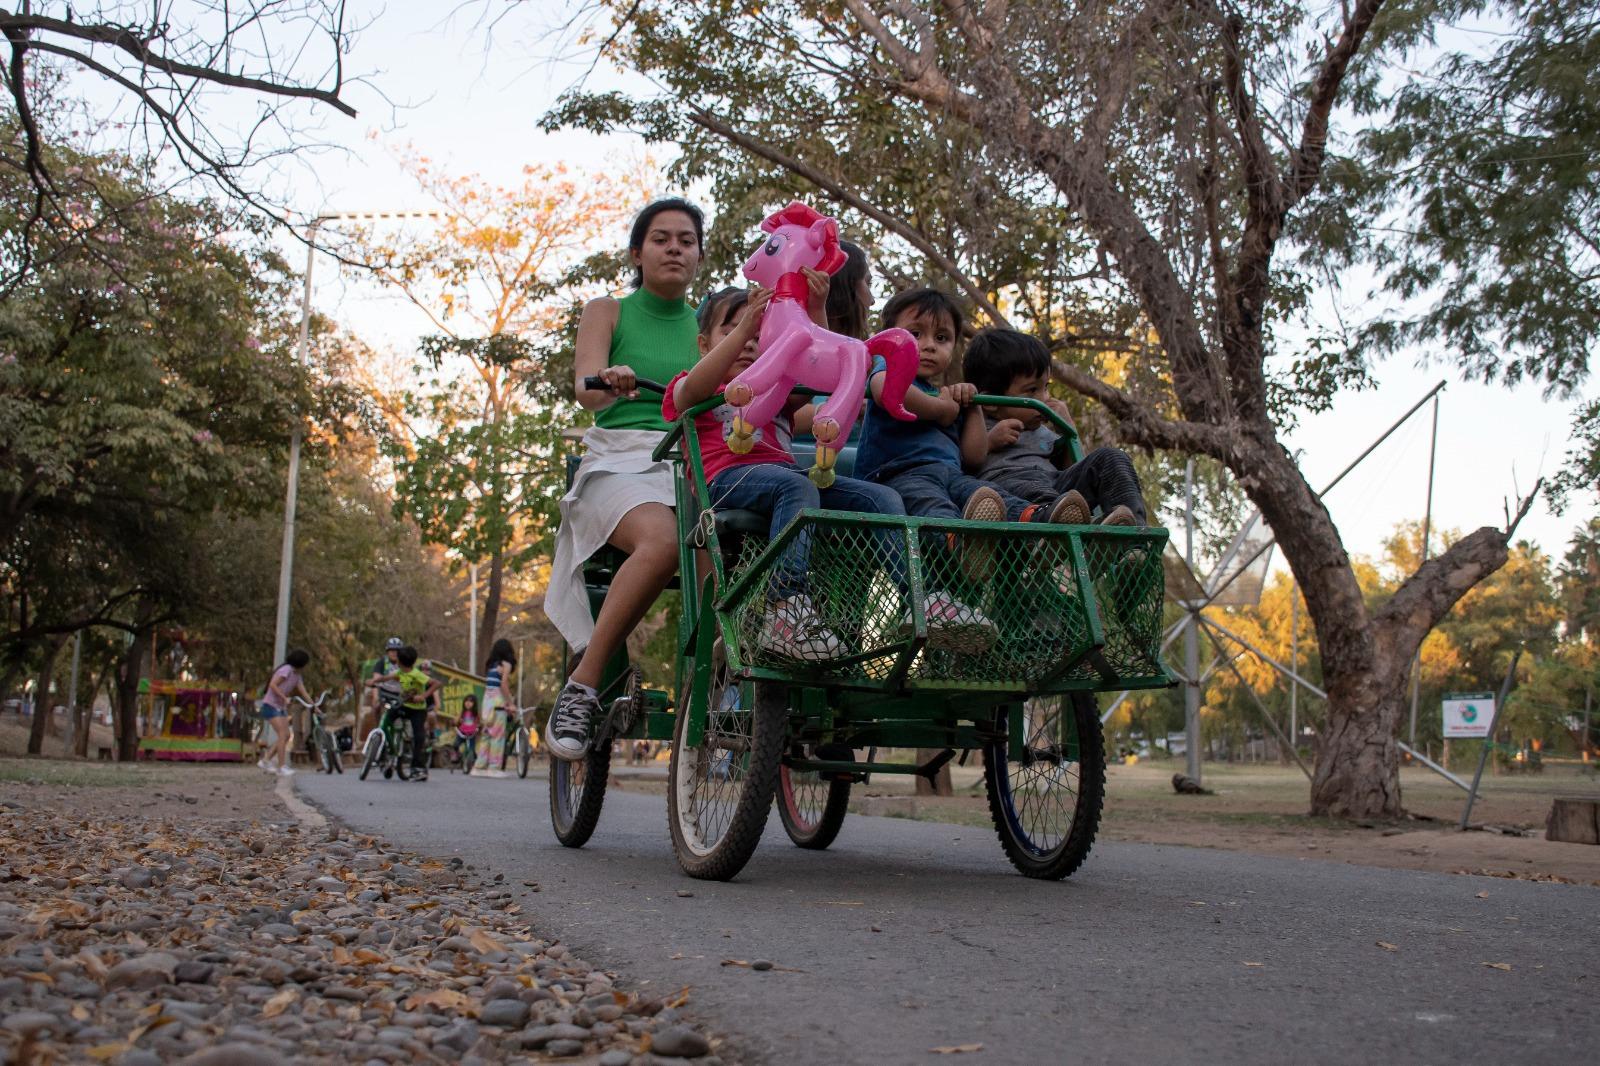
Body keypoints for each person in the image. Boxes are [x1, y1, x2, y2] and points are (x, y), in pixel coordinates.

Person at [665, 284, 922, 659]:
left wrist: (816, 307)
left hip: (784, 482)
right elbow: (690, 393)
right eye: (733, 329)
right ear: (705, 344)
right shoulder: (696, 385)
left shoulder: (778, 390)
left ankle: (918, 600)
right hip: (727, 480)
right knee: (795, 488)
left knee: (880, 497)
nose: (749, 342)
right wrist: (743, 330)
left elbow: (823, 373)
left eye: (758, 334)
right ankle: (785, 607)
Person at [545, 199, 707, 761]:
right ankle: (584, 685)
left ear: (699, 257)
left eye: (686, 241)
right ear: (638, 254)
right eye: (660, 239)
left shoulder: (713, 322)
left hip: (694, 460)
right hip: (622, 459)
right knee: (663, 542)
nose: (674, 249)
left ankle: (718, 683)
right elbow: (586, 391)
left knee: (731, 539)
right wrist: (610, 381)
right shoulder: (607, 310)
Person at [853, 289, 1087, 647]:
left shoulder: (950, 393)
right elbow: (886, 393)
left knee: (985, 494)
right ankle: (964, 542)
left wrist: (971, 405)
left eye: (942, 338)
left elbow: (975, 456)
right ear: (889, 340)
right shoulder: (887, 369)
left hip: (950, 473)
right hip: (898, 476)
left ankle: (1041, 523)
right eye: (915, 335)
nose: (929, 346)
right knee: (936, 507)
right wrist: (942, 410)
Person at [963, 328, 1148, 526]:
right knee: (1028, 488)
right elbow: (961, 464)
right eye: (1032, 390)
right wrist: (989, 442)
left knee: (1112, 458)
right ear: (991, 401)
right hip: (1008, 487)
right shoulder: (974, 422)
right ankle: (1059, 526)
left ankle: (1132, 532)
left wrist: (1068, 430)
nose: (1045, 399)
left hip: (1056, 486)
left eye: (1046, 387)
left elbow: (1072, 466)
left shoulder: (1042, 431)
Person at [258, 649, 311, 776]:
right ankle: (281, 767)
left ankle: (265, 760)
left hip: (280, 707)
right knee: (282, 734)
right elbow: (273, 685)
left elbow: (303, 691)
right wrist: (284, 697)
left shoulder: (297, 675)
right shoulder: (286, 670)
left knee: (286, 735)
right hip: (270, 705)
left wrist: (313, 705)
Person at [473, 639, 517, 777]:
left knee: (486, 734)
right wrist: (511, 703)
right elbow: (503, 685)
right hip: (498, 701)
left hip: (487, 701)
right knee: (498, 735)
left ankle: (479, 767)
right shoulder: (506, 664)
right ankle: (494, 768)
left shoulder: (491, 665)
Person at [366, 637, 404, 741]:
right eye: (392, 650)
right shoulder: (381, 662)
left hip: (399, 695)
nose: (394, 653)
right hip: (383, 692)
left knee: (400, 714)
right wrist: (375, 697)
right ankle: (378, 730)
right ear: (388, 651)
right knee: (376, 706)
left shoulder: (405, 664)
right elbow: (376, 681)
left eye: (397, 651)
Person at [455, 692, 480, 769]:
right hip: (462, 732)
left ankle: (473, 760)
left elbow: (480, 722)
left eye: (471, 701)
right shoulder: (462, 712)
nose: (468, 703)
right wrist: (456, 722)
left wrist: (479, 726)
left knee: (471, 749)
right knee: (456, 745)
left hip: (471, 733)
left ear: (474, 704)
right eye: (466, 701)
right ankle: (458, 756)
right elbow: (457, 721)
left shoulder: (476, 713)